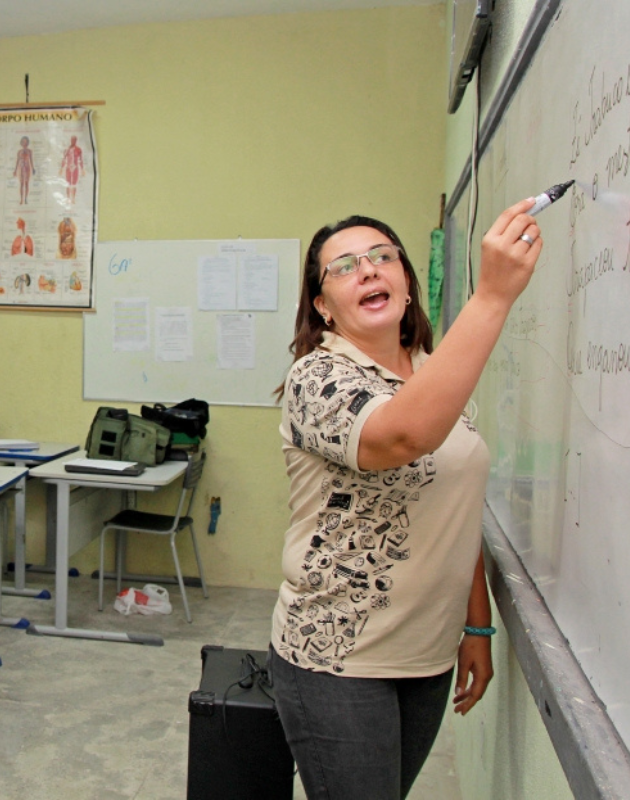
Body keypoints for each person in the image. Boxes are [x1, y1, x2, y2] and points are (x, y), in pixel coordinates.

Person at [268, 200, 542, 799]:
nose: (367, 270)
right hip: (338, 658)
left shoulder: (429, 371)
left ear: (407, 282)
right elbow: (401, 438)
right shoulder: (316, 378)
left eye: (382, 257)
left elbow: (455, 502)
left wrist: (478, 626)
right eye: (343, 267)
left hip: (428, 655)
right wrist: (492, 296)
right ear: (323, 306)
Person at [60, 135, 84, 203]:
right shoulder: (67, 150)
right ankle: (68, 198)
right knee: (68, 183)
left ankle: (73, 199)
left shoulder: (78, 149)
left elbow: (81, 160)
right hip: (68, 168)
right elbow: (64, 159)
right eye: (72, 140)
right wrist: (61, 168)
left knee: (74, 184)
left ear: (76, 141)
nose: (73, 141)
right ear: (70, 140)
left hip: (75, 168)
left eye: (74, 140)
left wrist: (82, 169)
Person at [13, 136, 34, 205]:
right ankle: (21, 199)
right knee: (21, 184)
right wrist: (15, 170)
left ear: (27, 143)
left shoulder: (29, 151)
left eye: (26, 142)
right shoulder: (19, 152)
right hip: (21, 168)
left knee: (27, 184)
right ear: (21, 143)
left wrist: (33, 168)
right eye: (23, 142)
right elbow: (17, 161)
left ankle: (26, 199)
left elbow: (31, 160)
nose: (24, 143)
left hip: (27, 168)